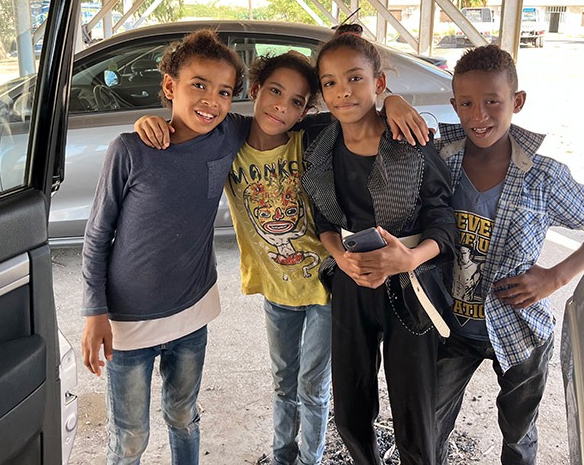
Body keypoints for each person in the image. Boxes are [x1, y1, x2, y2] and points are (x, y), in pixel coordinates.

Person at [132, 50, 430, 465]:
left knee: (313, 385)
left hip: (325, 285)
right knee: (283, 382)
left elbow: (356, 106)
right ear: (254, 90)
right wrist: (149, 120)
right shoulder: (228, 138)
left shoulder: (309, 137)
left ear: (307, 109)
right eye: (274, 92)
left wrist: (392, 99)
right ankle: (282, 456)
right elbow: (185, 126)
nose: (282, 107)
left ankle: (311, 459)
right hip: (276, 288)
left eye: (296, 102)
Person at [434, 44, 584, 465]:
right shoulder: (441, 164)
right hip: (451, 328)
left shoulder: (545, 175)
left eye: (492, 102)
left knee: (518, 435)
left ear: (516, 102)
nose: (479, 115)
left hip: (520, 332)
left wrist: (555, 277)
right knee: (428, 427)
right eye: (466, 103)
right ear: (454, 105)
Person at [80, 29, 251, 465]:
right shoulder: (131, 150)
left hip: (193, 316)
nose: (211, 99)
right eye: (199, 85)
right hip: (129, 324)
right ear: (170, 86)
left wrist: (391, 105)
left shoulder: (228, 135)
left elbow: (290, 117)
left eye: (224, 91)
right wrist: (93, 312)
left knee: (184, 416)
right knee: (131, 437)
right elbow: (97, 235)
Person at [301, 24, 458, 465]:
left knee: (414, 412)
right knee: (351, 406)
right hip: (351, 283)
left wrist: (410, 257)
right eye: (329, 82)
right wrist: (339, 259)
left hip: (411, 287)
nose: (342, 92)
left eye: (355, 78)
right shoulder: (319, 140)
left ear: (379, 83)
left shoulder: (410, 141)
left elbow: (444, 222)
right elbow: (325, 220)